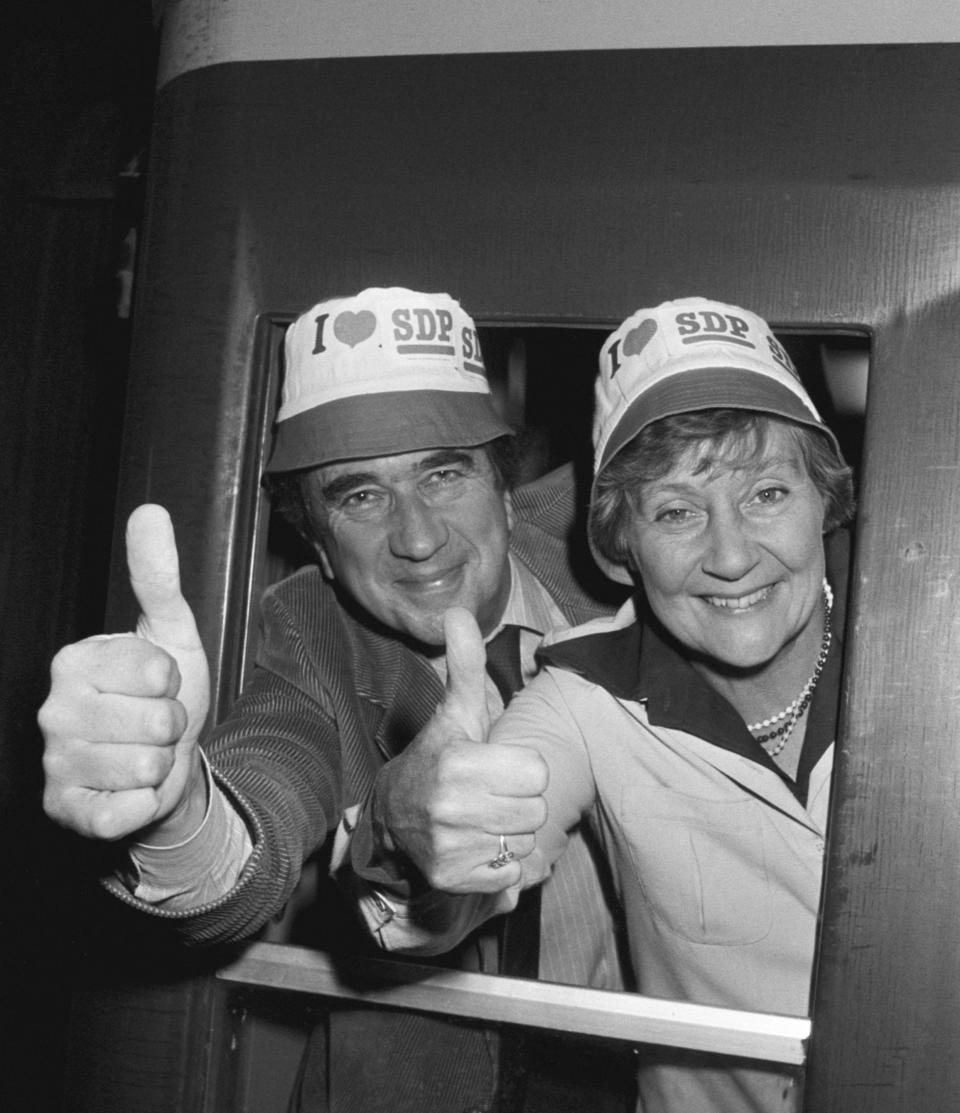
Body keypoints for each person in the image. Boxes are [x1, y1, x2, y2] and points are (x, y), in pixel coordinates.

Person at [38, 286, 633, 1113]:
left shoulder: (628, 559)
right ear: (317, 543)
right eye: (360, 495)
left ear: (505, 487)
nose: (417, 536)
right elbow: (266, 788)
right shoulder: (306, 636)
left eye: (444, 473)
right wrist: (174, 819)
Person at [363, 296, 856, 1113]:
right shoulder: (582, 698)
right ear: (623, 545)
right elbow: (454, 887)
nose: (730, 555)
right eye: (675, 511)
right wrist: (404, 827)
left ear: (825, 499)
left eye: (767, 493)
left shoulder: (924, 643)